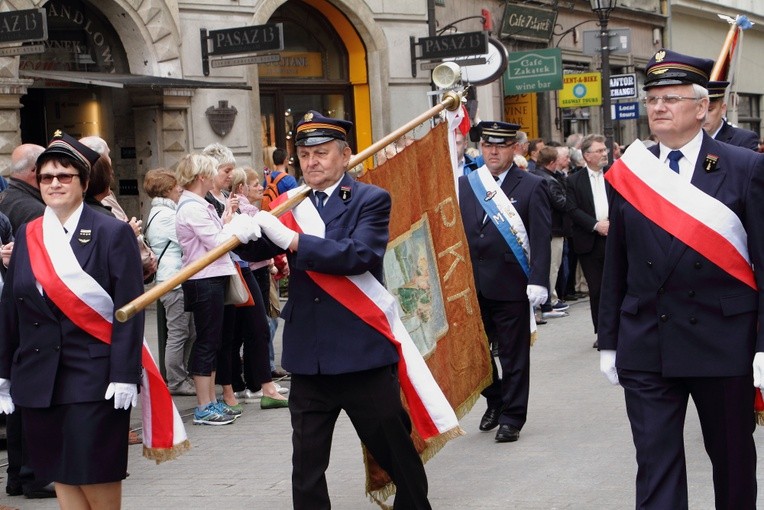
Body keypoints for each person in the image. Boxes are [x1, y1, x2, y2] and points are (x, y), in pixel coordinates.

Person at [598, 49, 764, 509]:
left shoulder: (744, 166)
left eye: (670, 98)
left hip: (723, 340)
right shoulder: (630, 172)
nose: (658, 107)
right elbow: (618, 263)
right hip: (648, 341)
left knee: (732, 463)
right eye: (652, 99)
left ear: (701, 106)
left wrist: (763, 346)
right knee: (655, 465)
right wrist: (609, 339)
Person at [247, 111, 432, 509]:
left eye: (321, 153)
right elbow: (261, 248)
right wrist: (240, 234)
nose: (311, 162)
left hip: (360, 352)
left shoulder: (369, 199)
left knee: (394, 450)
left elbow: (360, 255)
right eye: (304, 154)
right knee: (307, 464)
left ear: (345, 155)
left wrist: (294, 242)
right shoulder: (291, 204)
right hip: (309, 356)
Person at [0, 132, 144, 508]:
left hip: (94, 378)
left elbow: (129, 308)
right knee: (60, 473)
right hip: (39, 378)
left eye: (65, 176)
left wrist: (125, 373)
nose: (55, 184)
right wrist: (3, 373)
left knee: (95, 474)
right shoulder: (28, 233)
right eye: (47, 177)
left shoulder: (111, 233)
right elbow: (11, 305)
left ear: (83, 181)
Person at [459, 121, 551, 443]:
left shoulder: (531, 185)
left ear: (514, 148)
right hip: (471, 286)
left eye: (500, 146)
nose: (493, 151)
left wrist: (539, 280)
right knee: (475, 354)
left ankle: (513, 417)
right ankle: (495, 400)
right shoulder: (467, 184)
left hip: (512, 283)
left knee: (513, 356)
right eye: (487, 145)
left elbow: (540, 238)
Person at [175, 153, 262, 425]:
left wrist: (230, 222)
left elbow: (218, 235)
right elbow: (216, 241)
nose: (216, 176)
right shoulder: (192, 206)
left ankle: (210, 401)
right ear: (202, 176)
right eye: (212, 171)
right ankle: (203, 406)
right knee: (207, 342)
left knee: (213, 341)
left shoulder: (199, 204)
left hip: (212, 276)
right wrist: (241, 227)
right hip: (204, 278)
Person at [0, 142, 54, 500]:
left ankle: (21, 474)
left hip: (13, 307)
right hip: (25, 313)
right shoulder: (27, 207)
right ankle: (30, 472)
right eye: (49, 174)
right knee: (29, 396)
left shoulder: (9, 207)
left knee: (22, 397)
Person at [143, 169, 196, 396]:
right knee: (179, 333)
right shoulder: (164, 215)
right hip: (172, 282)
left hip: (176, 280)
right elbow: (187, 239)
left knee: (189, 331)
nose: (180, 190)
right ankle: (176, 381)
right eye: (176, 187)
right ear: (166, 190)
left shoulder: (162, 211)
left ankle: (181, 376)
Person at [565, 134, 610, 348]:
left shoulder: (614, 175)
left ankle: (620, 329)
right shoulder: (574, 180)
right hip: (589, 242)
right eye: (599, 151)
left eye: (605, 150)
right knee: (598, 289)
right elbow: (572, 209)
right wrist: (595, 225)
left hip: (614, 238)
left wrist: (613, 224)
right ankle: (602, 332)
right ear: (587, 155)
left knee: (617, 286)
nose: (604, 154)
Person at [532, 147, 569, 320]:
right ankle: (548, 303)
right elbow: (561, 204)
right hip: (554, 230)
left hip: (545, 229)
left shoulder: (535, 175)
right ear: (552, 162)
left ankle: (545, 303)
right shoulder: (550, 180)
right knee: (552, 267)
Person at [702, 80, 759, 151]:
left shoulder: (743, 140)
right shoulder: (688, 139)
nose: (703, 115)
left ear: (723, 109)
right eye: (700, 109)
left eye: (710, 110)